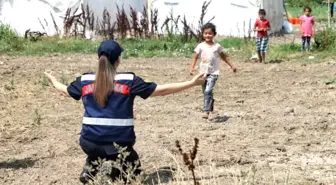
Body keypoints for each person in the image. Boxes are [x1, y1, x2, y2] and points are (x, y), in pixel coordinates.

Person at [44, 40, 205, 184]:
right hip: (119, 145)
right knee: (133, 174)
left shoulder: (85, 80)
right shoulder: (129, 80)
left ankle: (90, 169)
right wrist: (191, 83)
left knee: (99, 150)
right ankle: (115, 174)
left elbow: (65, 91)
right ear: (118, 60)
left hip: (88, 143)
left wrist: (53, 81)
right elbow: (161, 91)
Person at [189, 23, 237, 120]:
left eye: (210, 33)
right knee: (205, 92)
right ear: (202, 34)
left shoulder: (217, 46)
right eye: (205, 33)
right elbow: (195, 57)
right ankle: (210, 103)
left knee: (208, 90)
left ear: (214, 34)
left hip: (213, 73)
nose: (207, 35)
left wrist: (232, 65)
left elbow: (224, 56)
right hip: (202, 73)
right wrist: (192, 68)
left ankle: (206, 112)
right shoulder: (200, 46)